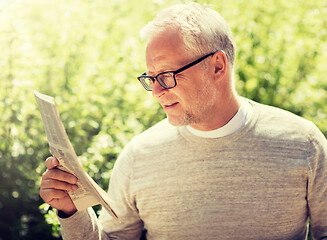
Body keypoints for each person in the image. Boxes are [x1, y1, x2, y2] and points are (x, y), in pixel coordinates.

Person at [40, 2, 327, 240]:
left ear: (217, 66)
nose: (156, 92)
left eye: (166, 75)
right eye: (150, 79)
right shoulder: (139, 155)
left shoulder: (304, 144)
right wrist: (71, 211)